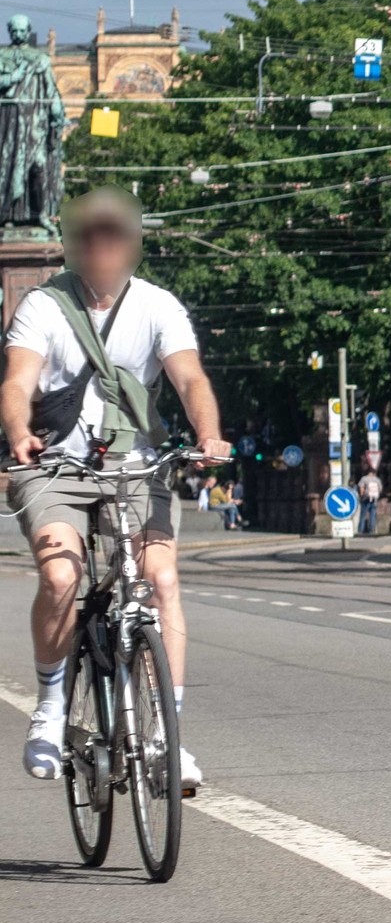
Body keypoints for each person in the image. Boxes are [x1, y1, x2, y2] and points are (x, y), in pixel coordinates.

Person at [1, 186, 229, 785]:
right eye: (92, 238)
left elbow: (189, 378)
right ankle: (51, 706)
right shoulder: (42, 307)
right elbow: (17, 381)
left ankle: (164, 739)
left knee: (161, 578)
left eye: (113, 237)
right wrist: (20, 432)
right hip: (54, 467)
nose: (103, 248)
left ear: (131, 245)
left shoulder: (158, 306)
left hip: (135, 468)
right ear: (76, 246)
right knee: (61, 575)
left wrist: (209, 436)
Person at [356, 465, 383, 535]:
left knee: (363, 515)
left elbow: (361, 488)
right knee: (373, 515)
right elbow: (380, 489)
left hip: (366, 498)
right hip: (374, 499)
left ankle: (360, 530)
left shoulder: (364, 479)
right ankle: (371, 530)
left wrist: (361, 495)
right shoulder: (377, 479)